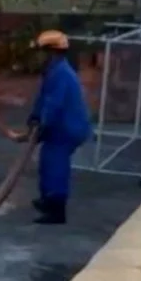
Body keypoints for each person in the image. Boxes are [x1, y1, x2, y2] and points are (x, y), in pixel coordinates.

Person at [17, 30, 92, 225]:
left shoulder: (61, 73)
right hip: (61, 127)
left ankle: (57, 209)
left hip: (67, 129)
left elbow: (53, 103)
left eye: (41, 52)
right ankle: (48, 199)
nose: (38, 57)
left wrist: (42, 124)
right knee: (47, 161)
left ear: (51, 52)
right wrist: (34, 118)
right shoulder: (55, 71)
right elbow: (43, 99)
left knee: (55, 165)